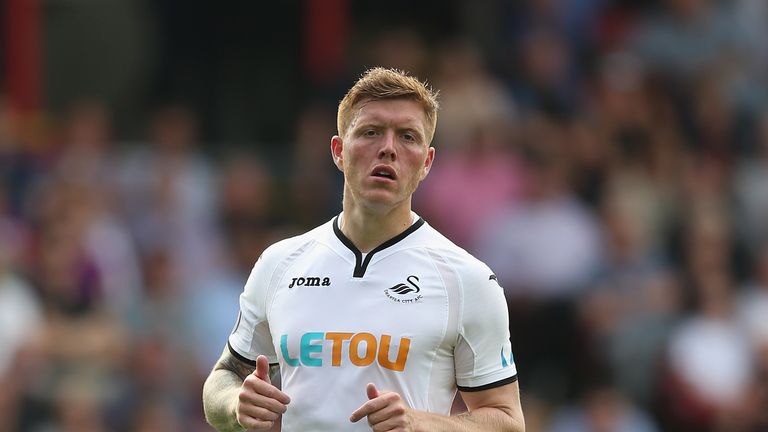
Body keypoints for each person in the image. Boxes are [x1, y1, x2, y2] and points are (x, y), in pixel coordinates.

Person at [202, 67, 525, 431]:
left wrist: (422, 424)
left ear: (427, 164)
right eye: (371, 132)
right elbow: (225, 376)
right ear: (338, 151)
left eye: (407, 137)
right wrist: (234, 403)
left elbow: (507, 421)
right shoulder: (280, 263)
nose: (388, 148)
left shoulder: (468, 279)